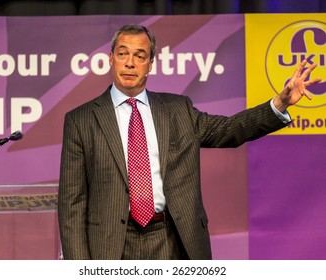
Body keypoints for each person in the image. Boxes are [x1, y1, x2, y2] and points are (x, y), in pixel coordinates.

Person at [58, 24, 321, 260]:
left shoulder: (177, 110)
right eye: (123, 54)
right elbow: (72, 204)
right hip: (110, 247)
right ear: (111, 59)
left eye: (140, 56)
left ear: (150, 64)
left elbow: (229, 129)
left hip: (172, 241)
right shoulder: (81, 120)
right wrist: (79, 269)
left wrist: (280, 103)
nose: (130, 63)